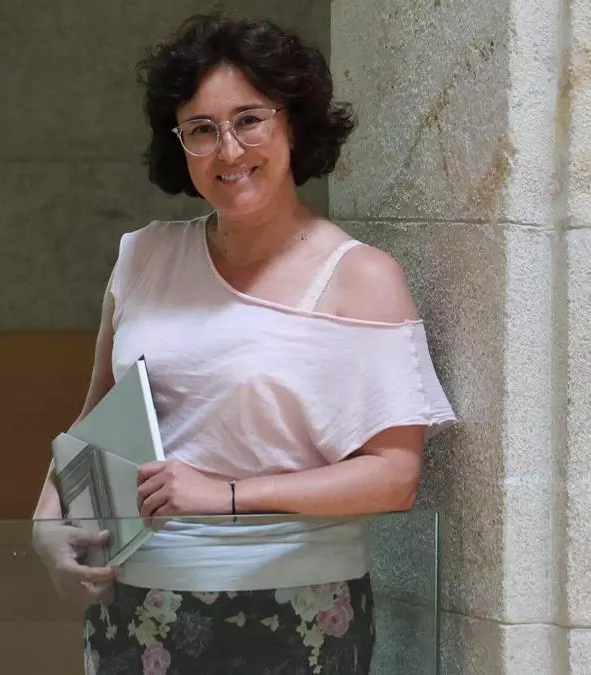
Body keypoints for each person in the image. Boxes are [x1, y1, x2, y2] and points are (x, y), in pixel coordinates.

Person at [32, 12, 456, 674]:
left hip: (295, 611)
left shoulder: (361, 277)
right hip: (132, 609)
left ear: (293, 124)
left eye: (249, 120)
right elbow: (94, 422)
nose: (228, 151)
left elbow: (394, 477)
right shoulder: (143, 256)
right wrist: (47, 523)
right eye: (202, 129)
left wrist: (225, 494)